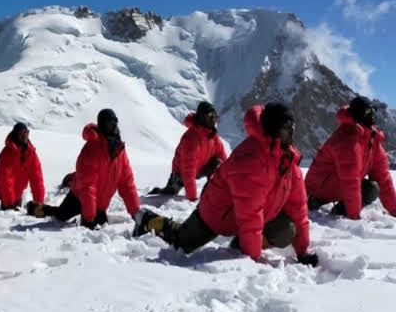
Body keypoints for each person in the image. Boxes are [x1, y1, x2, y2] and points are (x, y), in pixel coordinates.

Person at [134, 103, 318, 267]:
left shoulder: (288, 164)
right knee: (181, 241)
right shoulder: (252, 160)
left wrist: (303, 252)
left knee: (286, 229)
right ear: (273, 130)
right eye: (286, 130)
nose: (291, 135)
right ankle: (146, 219)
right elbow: (250, 217)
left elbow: (299, 210)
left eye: (292, 130)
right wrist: (251, 262)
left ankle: (239, 245)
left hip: (251, 217)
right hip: (216, 215)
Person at [28, 109, 140, 229]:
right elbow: (88, 187)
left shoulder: (120, 151)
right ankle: (37, 208)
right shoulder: (92, 149)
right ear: (101, 126)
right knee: (61, 215)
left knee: (102, 225)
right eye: (109, 123)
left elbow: (127, 184)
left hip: (99, 205)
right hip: (78, 197)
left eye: (114, 122)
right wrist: (88, 219)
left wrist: (136, 213)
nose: (113, 126)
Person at [305, 96, 396, 219]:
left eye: (374, 111)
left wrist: (394, 210)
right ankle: (316, 202)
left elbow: (384, 179)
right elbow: (350, 180)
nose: (373, 115)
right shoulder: (347, 138)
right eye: (369, 112)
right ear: (359, 114)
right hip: (318, 190)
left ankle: (340, 210)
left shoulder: (372, 140)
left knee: (372, 188)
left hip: (338, 187)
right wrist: (353, 216)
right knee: (356, 187)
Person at [149, 102, 227, 200]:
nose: (213, 119)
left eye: (214, 116)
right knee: (169, 193)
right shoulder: (192, 138)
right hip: (181, 173)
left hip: (199, 169)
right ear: (202, 117)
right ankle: (157, 192)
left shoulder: (212, 135)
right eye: (210, 115)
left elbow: (223, 158)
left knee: (218, 163)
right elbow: (188, 169)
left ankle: (210, 193)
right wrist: (192, 198)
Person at [0, 123, 45, 211]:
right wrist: (9, 204)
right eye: (21, 133)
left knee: (16, 211)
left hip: (17, 191)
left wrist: (39, 203)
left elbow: (37, 179)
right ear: (15, 135)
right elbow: (6, 181)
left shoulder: (31, 154)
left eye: (26, 133)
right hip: (1, 189)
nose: (24, 136)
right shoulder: (6, 154)